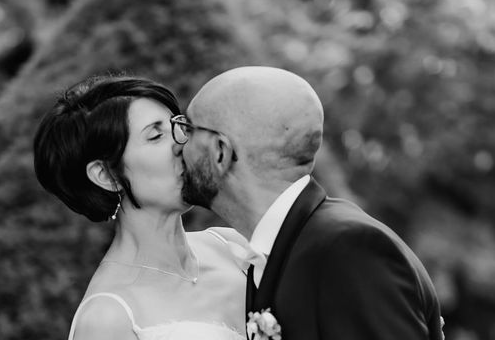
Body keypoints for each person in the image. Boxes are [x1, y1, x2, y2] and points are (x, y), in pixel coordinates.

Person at [175, 65, 445, 340]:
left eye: (187, 129)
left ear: (221, 152)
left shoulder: (348, 250)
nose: (178, 145)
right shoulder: (279, 250)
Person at [33, 74, 247, 340]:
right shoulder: (106, 318)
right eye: (156, 135)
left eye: (177, 126)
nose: (184, 143)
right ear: (107, 175)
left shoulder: (232, 248)